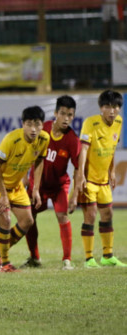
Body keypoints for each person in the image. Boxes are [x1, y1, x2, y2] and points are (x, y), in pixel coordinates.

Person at [0, 106, 50, 272]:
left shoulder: (44, 139)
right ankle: (5, 264)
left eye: (37, 124)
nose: (33, 129)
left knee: (27, 221)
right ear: (23, 124)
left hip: (16, 183)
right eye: (29, 124)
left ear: (43, 125)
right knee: (5, 220)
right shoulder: (11, 139)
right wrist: (3, 195)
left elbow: (40, 161)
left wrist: (35, 189)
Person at [21, 96, 80, 270]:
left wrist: (75, 195)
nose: (66, 118)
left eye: (70, 115)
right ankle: (34, 258)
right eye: (63, 113)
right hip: (36, 184)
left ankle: (67, 260)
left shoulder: (72, 140)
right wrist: (24, 175)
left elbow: (77, 169)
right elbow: (27, 151)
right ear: (55, 113)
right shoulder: (42, 128)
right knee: (29, 219)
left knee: (62, 216)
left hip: (59, 186)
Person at [76, 90, 127, 268]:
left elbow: (111, 148)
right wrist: (81, 175)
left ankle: (107, 256)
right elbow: (83, 150)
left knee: (108, 214)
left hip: (104, 179)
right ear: (101, 108)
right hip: (89, 179)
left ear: (120, 108)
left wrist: (112, 171)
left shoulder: (119, 122)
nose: (112, 111)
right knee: (90, 215)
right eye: (107, 107)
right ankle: (89, 259)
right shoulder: (90, 123)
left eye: (115, 107)